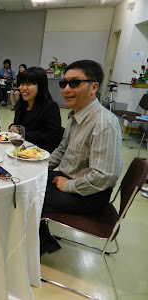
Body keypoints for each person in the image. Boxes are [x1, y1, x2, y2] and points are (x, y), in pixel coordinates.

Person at [39, 60, 122, 256]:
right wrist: (38, 166)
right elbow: (61, 150)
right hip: (69, 181)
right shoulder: (76, 117)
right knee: (26, 182)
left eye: (74, 83)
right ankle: (43, 240)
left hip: (88, 194)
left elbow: (105, 175)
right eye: (64, 83)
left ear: (94, 87)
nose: (66, 89)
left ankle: (37, 245)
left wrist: (68, 185)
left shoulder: (104, 123)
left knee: (24, 195)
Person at [8, 67, 62, 153]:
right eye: (22, 84)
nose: (23, 88)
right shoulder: (21, 103)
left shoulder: (50, 107)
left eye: (28, 84)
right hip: (21, 150)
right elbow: (17, 125)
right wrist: (12, 127)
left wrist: (23, 133)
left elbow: (52, 137)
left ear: (40, 86)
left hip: (38, 154)